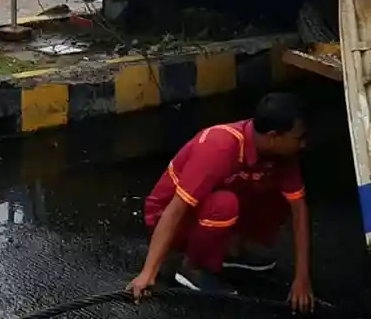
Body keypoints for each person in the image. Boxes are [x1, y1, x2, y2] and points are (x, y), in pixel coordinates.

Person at [129, 92, 316, 313]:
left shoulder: (281, 156)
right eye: (299, 138)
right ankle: (192, 268)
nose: (304, 144)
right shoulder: (219, 146)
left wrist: (302, 278)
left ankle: (230, 249)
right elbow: (174, 210)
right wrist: (148, 273)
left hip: (208, 210)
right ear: (274, 137)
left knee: (281, 195)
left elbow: (299, 209)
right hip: (167, 214)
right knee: (224, 205)